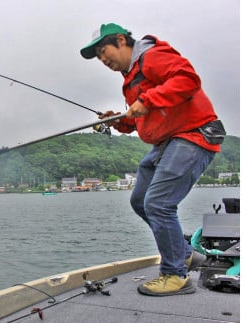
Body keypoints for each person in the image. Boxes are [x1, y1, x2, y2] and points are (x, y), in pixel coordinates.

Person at [80, 23, 225, 296]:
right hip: (166, 142)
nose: (103, 59)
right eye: (98, 57)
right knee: (140, 201)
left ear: (121, 40)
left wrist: (149, 99)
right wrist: (120, 120)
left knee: (158, 203)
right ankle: (184, 254)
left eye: (103, 51)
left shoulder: (151, 56)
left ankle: (175, 275)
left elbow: (188, 80)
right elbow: (144, 119)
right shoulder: (131, 79)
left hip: (192, 136)